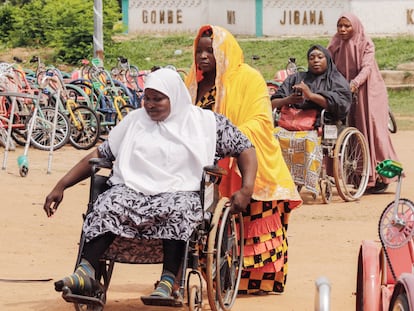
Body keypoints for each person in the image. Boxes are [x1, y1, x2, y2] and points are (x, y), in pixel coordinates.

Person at [43, 68, 258, 304]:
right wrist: (61, 185)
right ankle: (85, 272)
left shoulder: (205, 123)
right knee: (108, 204)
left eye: (158, 99)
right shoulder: (134, 121)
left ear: (174, 97)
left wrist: (246, 188)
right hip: (133, 190)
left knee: (179, 210)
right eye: (147, 98)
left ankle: (168, 281)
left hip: (180, 191)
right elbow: (99, 153)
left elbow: (245, 148)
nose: (150, 105)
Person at [185, 25, 302, 295]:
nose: (203, 56)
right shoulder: (193, 83)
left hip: (248, 161)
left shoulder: (248, 78)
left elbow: (260, 120)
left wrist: (228, 139)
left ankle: (254, 283)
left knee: (255, 220)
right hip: (205, 164)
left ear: (224, 51)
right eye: (199, 50)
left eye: (210, 50)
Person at [327, 12, 401, 193]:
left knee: (372, 133)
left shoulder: (365, 43)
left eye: (347, 26)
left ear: (355, 26)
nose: (343, 29)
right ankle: (357, 176)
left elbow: (367, 67)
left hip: (369, 92)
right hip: (344, 92)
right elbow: (327, 64)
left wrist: (355, 83)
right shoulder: (334, 43)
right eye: (340, 26)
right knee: (347, 130)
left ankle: (382, 176)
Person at [271, 44, 352, 195]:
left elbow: (341, 104)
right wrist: (289, 99)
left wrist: (311, 96)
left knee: (309, 140)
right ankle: (280, 180)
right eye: (311, 58)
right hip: (290, 124)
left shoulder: (335, 80)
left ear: (327, 60)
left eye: (320, 57)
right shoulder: (296, 78)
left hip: (319, 125)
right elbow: (272, 102)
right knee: (272, 137)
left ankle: (310, 182)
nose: (315, 60)